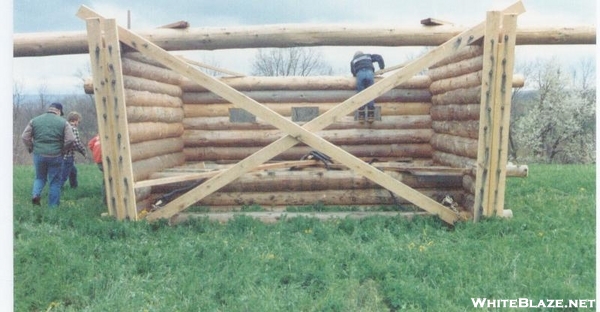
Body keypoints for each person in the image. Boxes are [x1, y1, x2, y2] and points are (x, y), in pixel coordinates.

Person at [21, 103, 76, 207]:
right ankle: (53, 207)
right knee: (55, 182)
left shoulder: (34, 120)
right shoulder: (64, 122)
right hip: (56, 155)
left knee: (39, 178)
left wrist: (31, 147)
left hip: (39, 155)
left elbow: (24, 137)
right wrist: (63, 149)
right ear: (59, 111)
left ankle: (35, 194)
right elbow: (71, 139)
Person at [350, 51, 385, 122]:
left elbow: (353, 72)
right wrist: (382, 68)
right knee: (370, 94)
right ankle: (371, 115)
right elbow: (379, 57)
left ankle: (361, 116)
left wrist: (355, 75)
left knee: (361, 94)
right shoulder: (368, 56)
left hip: (360, 74)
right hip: (369, 73)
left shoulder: (353, 61)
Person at [60, 112, 86, 189]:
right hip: (68, 156)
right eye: (78, 121)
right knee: (64, 175)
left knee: (73, 172)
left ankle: (74, 187)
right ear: (75, 120)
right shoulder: (74, 129)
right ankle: (57, 189)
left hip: (61, 155)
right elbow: (76, 143)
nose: (78, 123)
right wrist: (84, 152)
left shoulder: (63, 128)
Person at [88, 134, 106, 203]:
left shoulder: (98, 136)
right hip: (102, 160)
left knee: (106, 179)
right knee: (107, 180)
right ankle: (105, 200)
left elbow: (90, 144)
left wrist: (95, 152)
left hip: (98, 160)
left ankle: (105, 200)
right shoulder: (107, 135)